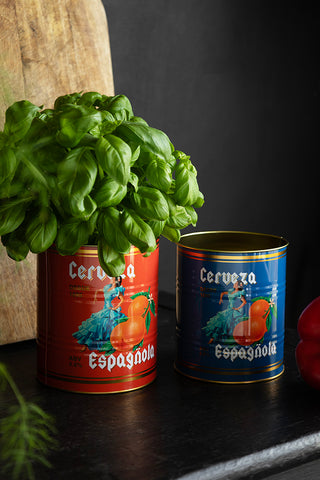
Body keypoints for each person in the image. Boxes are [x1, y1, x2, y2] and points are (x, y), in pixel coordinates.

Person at [73, 277, 126, 351]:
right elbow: (99, 291)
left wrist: (115, 308)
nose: (111, 279)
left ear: (118, 280)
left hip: (110, 310)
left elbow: (122, 299)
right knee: (94, 324)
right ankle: (86, 344)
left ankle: (112, 346)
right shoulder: (107, 287)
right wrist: (95, 295)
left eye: (113, 278)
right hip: (104, 309)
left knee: (110, 326)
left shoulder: (117, 290)